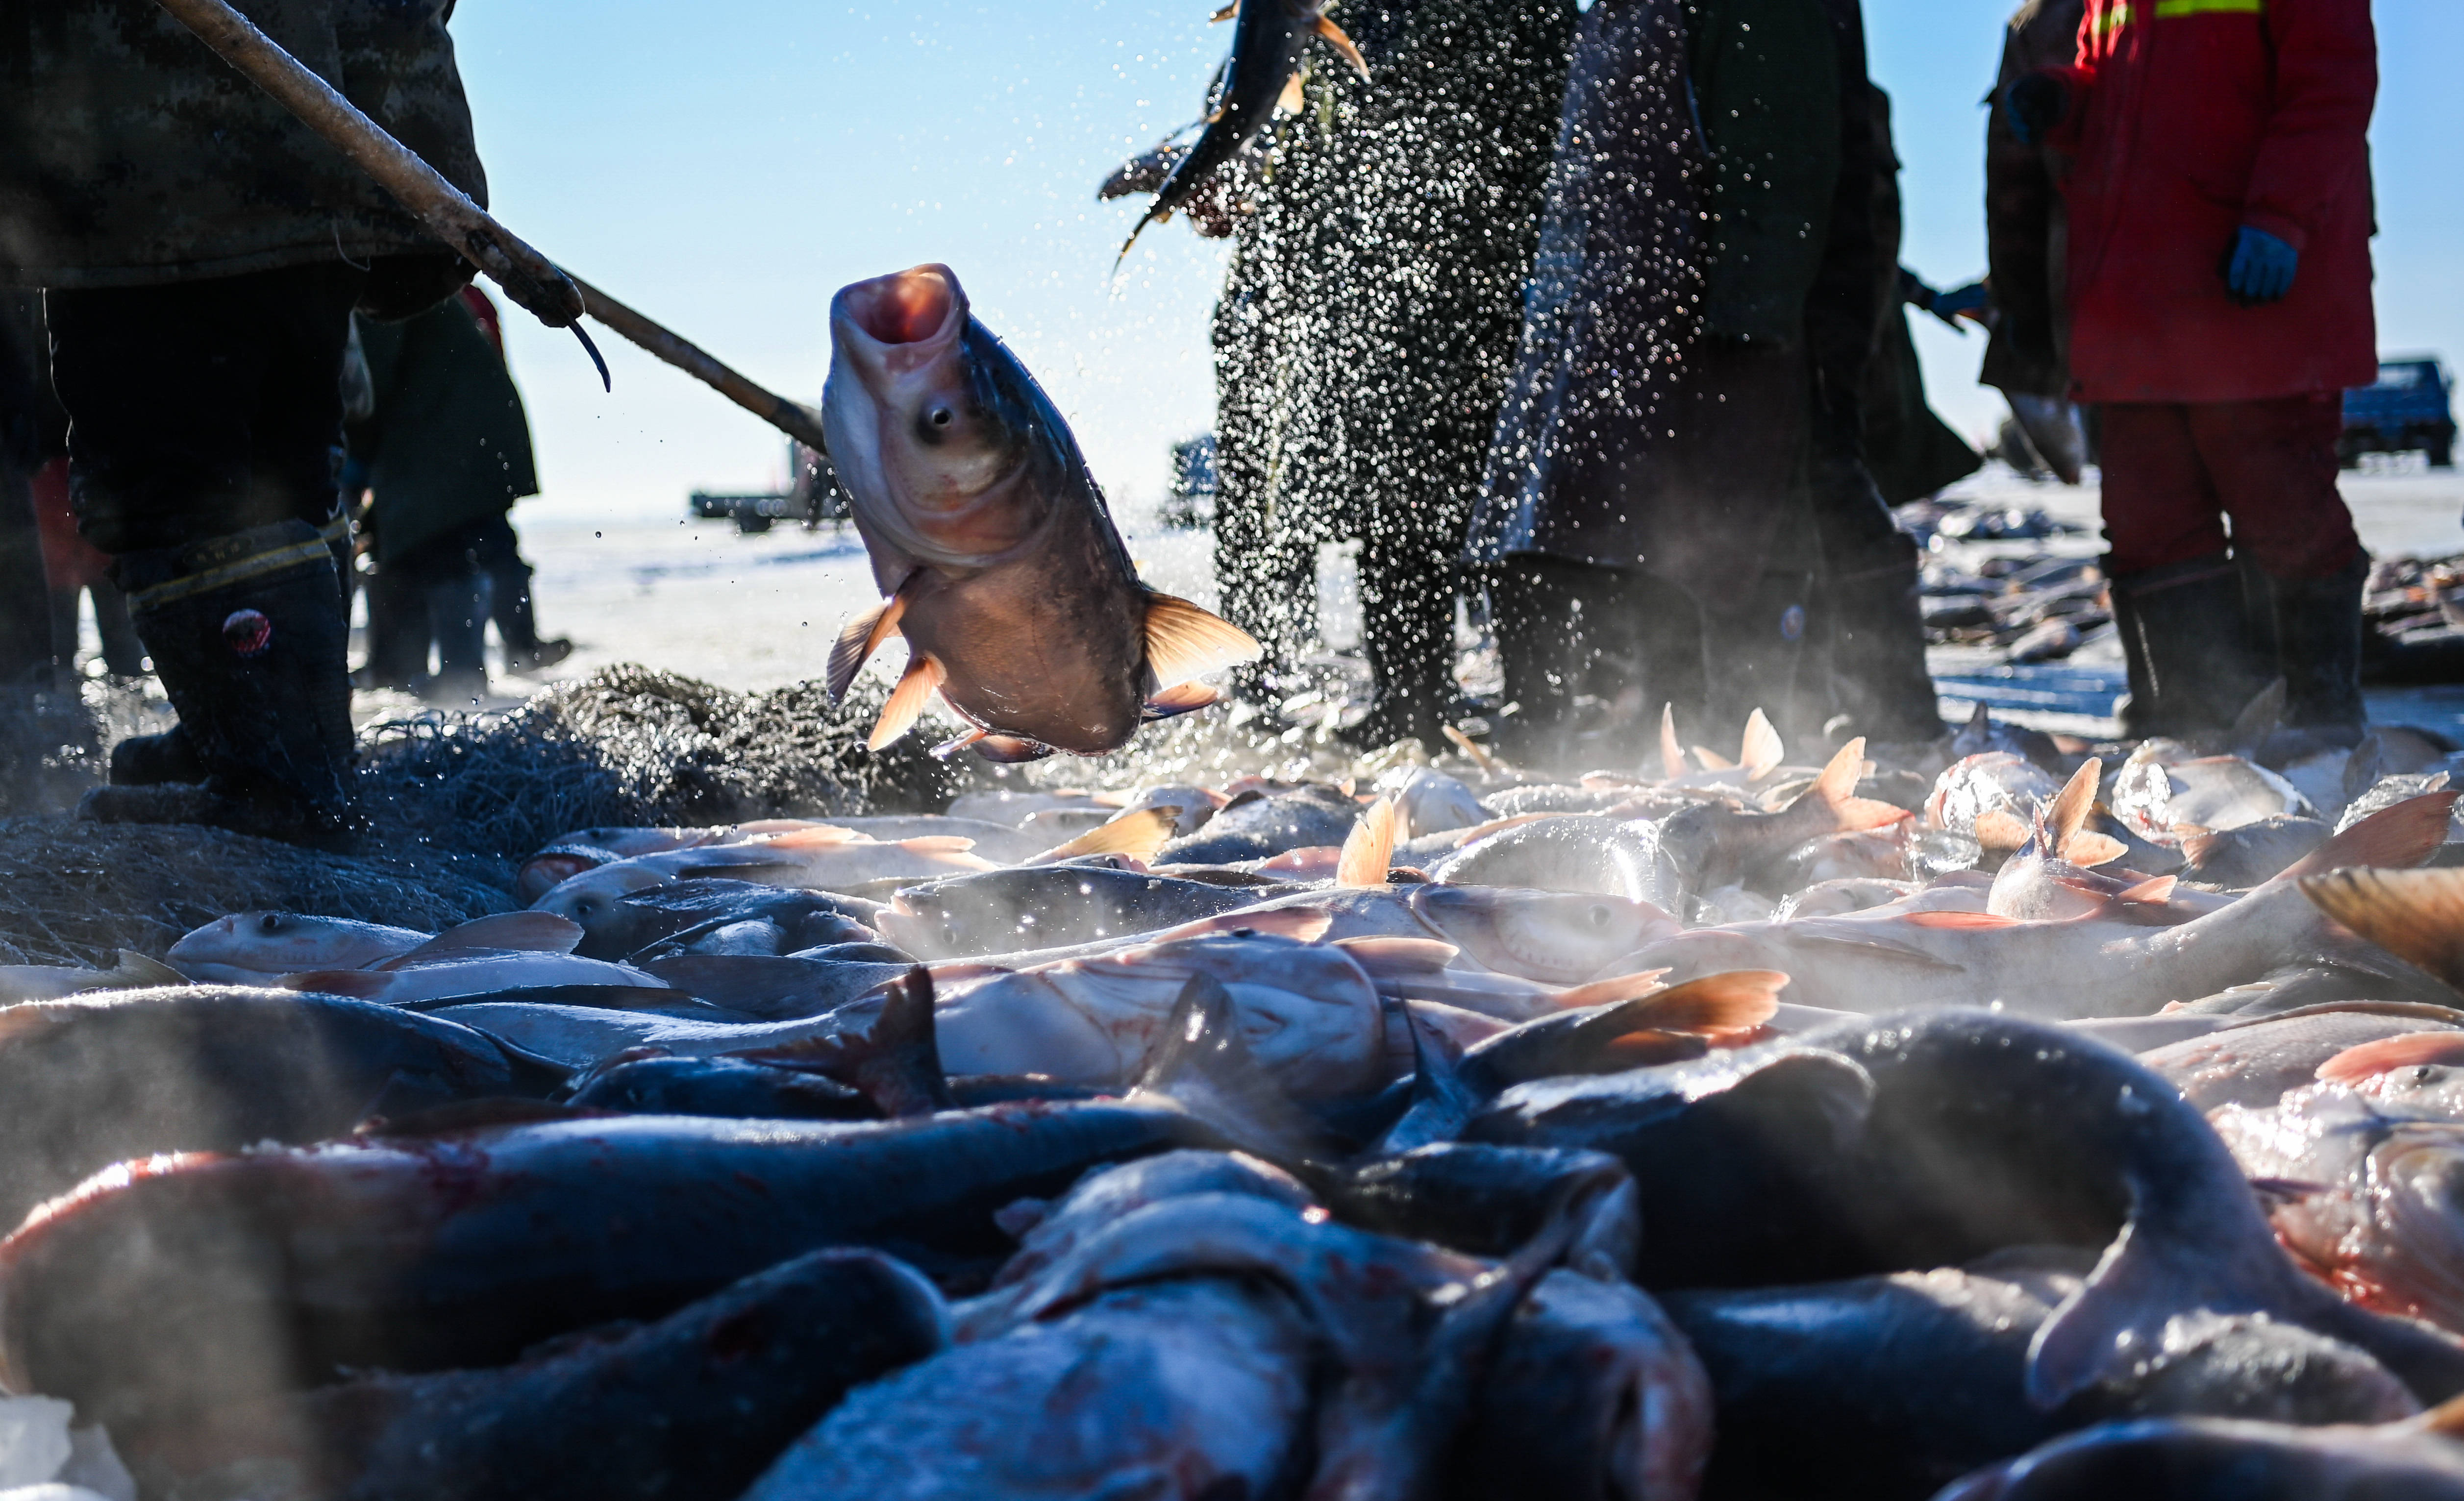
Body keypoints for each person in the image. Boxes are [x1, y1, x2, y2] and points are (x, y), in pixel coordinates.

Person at [0, 0, 487, 842]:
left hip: (143, 170)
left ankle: (279, 781)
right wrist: (417, 137)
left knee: (169, 485)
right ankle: (256, 730)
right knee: (281, 469)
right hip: (304, 160)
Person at [1472, 0, 1934, 756]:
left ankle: (1884, 721)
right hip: (1645, 311)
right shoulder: (1617, 17)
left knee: (1796, 494)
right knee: (1668, 514)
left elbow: (1784, 144)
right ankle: (1681, 715)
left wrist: (1751, 305)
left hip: (1758, 314)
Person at [1205, 0, 1579, 749]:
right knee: (1396, 506)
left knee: (1496, 498)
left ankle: (1530, 701)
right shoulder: (1326, 22)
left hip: (1489, 277)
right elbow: (1283, 125)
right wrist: (1228, 164)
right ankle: (1414, 698)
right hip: (1377, 295)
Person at [2005, 0, 2378, 742]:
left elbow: (2329, 87)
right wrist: (2065, 97)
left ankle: (2317, 717)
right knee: (2149, 521)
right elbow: (2116, 94)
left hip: (2252, 300)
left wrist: (2279, 218)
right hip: (2136, 310)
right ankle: (2193, 723)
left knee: (2282, 505)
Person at [349, 286, 559, 701]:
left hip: (444, 436)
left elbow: (368, 385)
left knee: (442, 542)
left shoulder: (376, 288)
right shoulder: (422, 283)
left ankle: (460, 675)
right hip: (457, 433)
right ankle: (398, 665)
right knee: (417, 543)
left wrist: (351, 456)